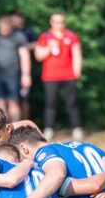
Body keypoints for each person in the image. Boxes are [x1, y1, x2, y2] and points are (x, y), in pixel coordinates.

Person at [34, 13, 83, 142]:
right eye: (56, 22)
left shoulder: (71, 36)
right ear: (51, 22)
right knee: (50, 103)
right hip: (50, 76)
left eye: (61, 22)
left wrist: (77, 72)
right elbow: (38, 56)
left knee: (72, 102)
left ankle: (76, 128)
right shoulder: (45, 37)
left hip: (68, 75)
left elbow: (77, 54)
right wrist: (49, 47)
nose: (59, 25)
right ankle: (49, 128)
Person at [0, 15, 31, 123]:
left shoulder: (18, 37)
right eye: (1, 27)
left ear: (10, 27)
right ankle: (3, 128)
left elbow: (24, 56)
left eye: (6, 27)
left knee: (13, 102)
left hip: (13, 73)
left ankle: (15, 128)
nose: (3, 30)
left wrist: (26, 75)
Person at [10, 10, 38, 121]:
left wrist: (25, 47)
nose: (14, 21)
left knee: (24, 98)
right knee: (12, 99)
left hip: (24, 70)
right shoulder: (9, 32)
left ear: (22, 19)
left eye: (16, 19)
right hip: (11, 70)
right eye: (12, 19)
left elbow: (36, 43)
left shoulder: (28, 31)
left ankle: (25, 123)